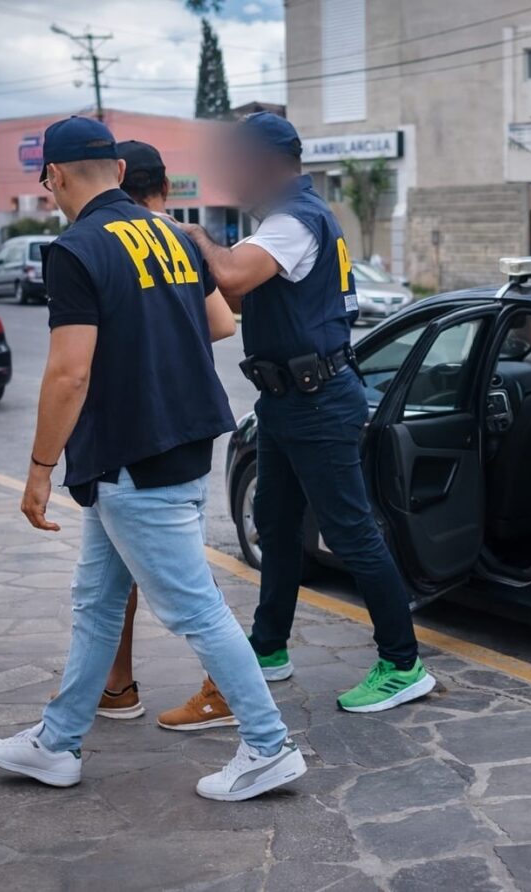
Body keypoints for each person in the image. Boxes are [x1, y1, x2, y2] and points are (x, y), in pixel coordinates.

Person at [0, 116, 304, 801]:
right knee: (96, 600)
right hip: (176, 442)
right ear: (119, 172)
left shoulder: (77, 248)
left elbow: (68, 374)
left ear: (55, 176)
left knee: (194, 609)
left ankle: (269, 747)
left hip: (129, 452)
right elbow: (220, 322)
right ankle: (57, 744)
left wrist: (39, 470)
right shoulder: (169, 232)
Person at [175, 113, 435, 714]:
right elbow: (239, 292)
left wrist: (196, 236)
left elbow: (232, 273)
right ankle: (269, 647)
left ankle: (402, 662)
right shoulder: (281, 223)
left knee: (351, 532)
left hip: (318, 402)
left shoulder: (296, 219)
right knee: (276, 523)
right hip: (286, 401)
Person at [75, 139, 240, 730]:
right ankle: (87, 709)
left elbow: (73, 363)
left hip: (129, 433)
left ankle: (121, 686)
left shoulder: (96, 244)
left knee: (176, 593)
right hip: (187, 425)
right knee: (124, 578)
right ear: (163, 188)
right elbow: (222, 323)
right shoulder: (175, 238)